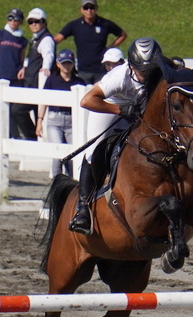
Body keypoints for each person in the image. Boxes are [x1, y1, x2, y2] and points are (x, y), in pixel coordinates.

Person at [68, 37, 163, 235]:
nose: (145, 75)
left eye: (149, 70)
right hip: (110, 107)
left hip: (139, 111)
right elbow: (87, 101)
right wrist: (120, 109)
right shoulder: (119, 76)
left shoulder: (159, 70)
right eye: (141, 70)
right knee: (93, 152)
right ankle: (82, 209)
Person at [54, 0, 127, 84]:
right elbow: (57, 39)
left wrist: (111, 47)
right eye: (86, 8)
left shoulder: (105, 24)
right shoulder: (75, 25)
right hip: (83, 71)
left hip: (101, 71)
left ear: (96, 9)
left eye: (92, 7)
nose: (89, 10)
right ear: (81, 10)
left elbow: (123, 35)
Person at [35, 49, 86, 177]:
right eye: (64, 63)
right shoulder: (52, 80)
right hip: (54, 120)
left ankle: (71, 184)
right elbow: (44, 101)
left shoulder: (79, 82)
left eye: (69, 63)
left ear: (73, 64)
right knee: (57, 154)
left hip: (72, 121)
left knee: (72, 155)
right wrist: (40, 120)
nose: (66, 66)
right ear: (58, 64)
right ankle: (57, 184)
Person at [0, 8, 34, 140]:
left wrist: (23, 69)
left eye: (16, 19)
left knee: (14, 109)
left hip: (15, 78)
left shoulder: (22, 40)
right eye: (10, 18)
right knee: (2, 109)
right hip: (1, 76)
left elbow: (21, 59)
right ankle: (7, 135)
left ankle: (14, 136)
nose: (13, 22)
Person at [17, 8, 55, 137]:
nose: (33, 24)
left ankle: (32, 137)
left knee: (17, 110)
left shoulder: (46, 39)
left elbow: (48, 55)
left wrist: (46, 68)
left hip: (37, 84)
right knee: (32, 112)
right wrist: (26, 68)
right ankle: (34, 137)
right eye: (31, 21)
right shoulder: (36, 39)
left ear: (44, 23)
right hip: (32, 82)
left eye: (37, 21)